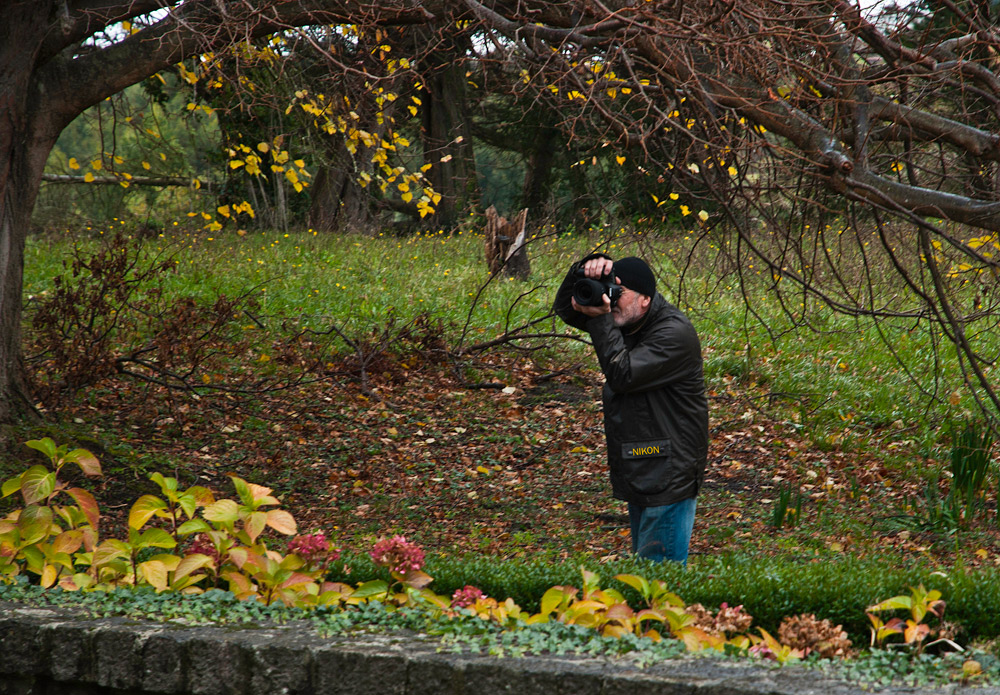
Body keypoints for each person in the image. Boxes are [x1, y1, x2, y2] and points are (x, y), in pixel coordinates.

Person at [553, 253, 708, 564]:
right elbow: (565, 309)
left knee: (659, 581)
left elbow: (623, 374)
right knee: (644, 578)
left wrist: (600, 318)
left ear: (645, 300)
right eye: (609, 291)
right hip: (645, 464)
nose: (610, 301)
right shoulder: (630, 320)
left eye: (618, 293)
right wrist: (584, 269)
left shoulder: (674, 334)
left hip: (668, 475)